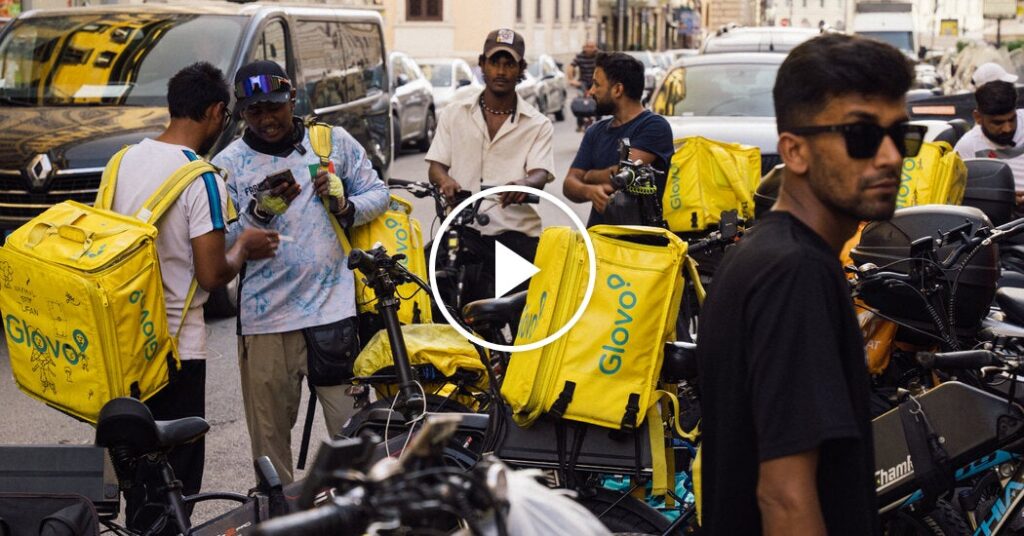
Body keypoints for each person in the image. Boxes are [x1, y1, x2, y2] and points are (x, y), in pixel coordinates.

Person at [696, 34, 918, 534]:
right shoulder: (794, 273)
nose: (888, 157)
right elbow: (785, 497)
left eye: (901, 135)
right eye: (861, 136)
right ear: (794, 151)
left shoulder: (764, 253)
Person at [106, 62, 279, 529]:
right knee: (176, 483)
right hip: (176, 352)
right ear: (217, 111)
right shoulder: (199, 177)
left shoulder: (121, 162)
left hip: (123, 344)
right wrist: (243, 246)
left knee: (136, 480)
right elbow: (210, 274)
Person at [212, 60, 389, 484]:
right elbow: (219, 245)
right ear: (241, 113)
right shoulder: (228, 166)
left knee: (354, 448)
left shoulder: (332, 144)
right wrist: (260, 211)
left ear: (292, 99)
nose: (267, 119)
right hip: (266, 323)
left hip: (334, 317)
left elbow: (379, 193)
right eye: (255, 111)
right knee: (271, 460)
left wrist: (345, 204)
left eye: (274, 107)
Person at [425, 28, 555, 304]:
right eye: (495, 62)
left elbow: (540, 173)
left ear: (521, 69)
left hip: (515, 236)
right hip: (463, 231)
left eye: (509, 64)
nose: (501, 71)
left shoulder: (538, 124)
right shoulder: (453, 114)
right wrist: (445, 181)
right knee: (427, 294)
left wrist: (525, 184)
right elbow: (436, 165)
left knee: (520, 318)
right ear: (482, 64)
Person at [562, 52, 673, 227]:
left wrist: (588, 175)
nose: (590, 91)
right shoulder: (595, 131)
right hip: (598, 243)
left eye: (596, 85)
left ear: (617, 90)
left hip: (640, 245)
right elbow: (569, 184)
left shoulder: (654, 126)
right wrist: (589, 191)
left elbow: (624, 174)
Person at [953, 80, 1024, 209]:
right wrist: (1004, 200)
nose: (1007, 128)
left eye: (1012, 119)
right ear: (978, 118)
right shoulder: (967, 146)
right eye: (998, 123)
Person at [567, 40, 599, 131]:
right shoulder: (580, 56)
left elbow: (606, 66)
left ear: (595, 48)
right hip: (583, 83)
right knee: (580, 102)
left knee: (599, 102)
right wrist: (571, 80)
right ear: (584, 48)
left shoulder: (599, 55)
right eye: (588, 47)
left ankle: (599, 123)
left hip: (596, 82)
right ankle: (579, 124)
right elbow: (571, 67)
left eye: (592, 47)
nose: (590, 49)